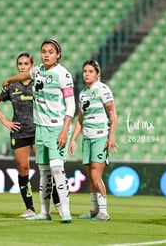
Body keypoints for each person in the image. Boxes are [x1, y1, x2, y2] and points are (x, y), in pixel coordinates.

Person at [3, 39, 75, 223]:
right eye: (44, 51)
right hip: (40, 129)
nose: (46, 54)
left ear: (58, 54)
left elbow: (71, 106)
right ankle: (44, 212)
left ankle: (65, 212)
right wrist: (10, 79)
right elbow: (25, 74)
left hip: (57, 127)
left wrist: (64, 130)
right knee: (44, 172)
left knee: (57, 169)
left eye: (51, 51)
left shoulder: (63, 75)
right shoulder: (38, 70)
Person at [0, 52, 62, 218]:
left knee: (46, 168)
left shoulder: (39, 81)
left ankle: (58, 203)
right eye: (20, 64)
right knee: (23, 169)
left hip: (38, 130)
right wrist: (5, 121)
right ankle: (30, 208)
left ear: (31, 66)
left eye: (25, 64)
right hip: (19, 132)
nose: (22, 66)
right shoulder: (11, 87)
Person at [68, 60, 118, 221]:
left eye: (90, 71)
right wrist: (73, 139)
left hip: (100, 136)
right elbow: (81, 119)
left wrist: (111, 136)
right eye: (85, 71)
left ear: (98, 74)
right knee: (91, 177)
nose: (87, 74)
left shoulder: (102, 89)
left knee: (96, 176)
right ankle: (95, 210)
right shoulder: (83, 93)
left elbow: (112, 114)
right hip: (87, 138)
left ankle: (104, 212)